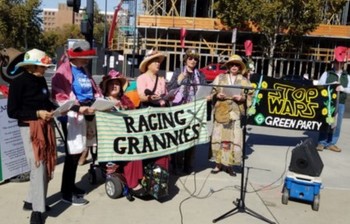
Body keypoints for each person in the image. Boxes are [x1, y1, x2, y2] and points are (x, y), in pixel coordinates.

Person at [7, 49, 57, 224]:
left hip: (45, 125)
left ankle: (32, 200)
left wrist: (54, 108)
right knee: (38, 166)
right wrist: (37, 113)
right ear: (32, 66)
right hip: (29, 128)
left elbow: (45, 101)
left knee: (46, 163)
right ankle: (37, 210)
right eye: (42, 66)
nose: (45, 70)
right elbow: (13, 112)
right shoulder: (18, 83)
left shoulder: (41, 79)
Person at [51, 40, 103, 206]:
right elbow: (59, 96)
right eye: (85, 57)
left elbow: (93, 90)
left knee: (78, 153)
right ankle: (66, 192)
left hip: (86, 113)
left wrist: (99, 101)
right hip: (72, 116)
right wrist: (78, 108)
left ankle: (71, 186)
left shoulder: (83, 70)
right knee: (72, 155)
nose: (88, 60)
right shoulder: (63, 71)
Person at [99, 69, 146, 197]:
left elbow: (135, 117)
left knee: (140, 145)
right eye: (111, 83)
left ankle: (137, 178)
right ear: (106, 87)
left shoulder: (125, 100)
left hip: (127, 135)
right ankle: (132, 183)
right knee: (130, 148)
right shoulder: (102, 101)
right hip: (110, 138)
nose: (114, 86)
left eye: (117, 84)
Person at [210, 54, 252, 176]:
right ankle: (218, 164)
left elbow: (251, 95)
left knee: (233, 139)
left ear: (240, 67)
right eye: (232, 64)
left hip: (235, 113)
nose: (234, 66)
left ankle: (229, 166)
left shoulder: (244, 80)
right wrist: (217, 95)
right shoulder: (220, 77)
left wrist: (242, 98)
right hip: (221, 112)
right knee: (219, 138)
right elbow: (212, 91)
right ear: (228, 66)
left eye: (236, 65)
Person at [167, 48, 207, 174]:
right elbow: (169, 89)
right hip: (180, 110)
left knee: (191, 139)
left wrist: (207, 96)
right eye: (190, 58)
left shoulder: (200, 75)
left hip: (194, 111)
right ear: (186, 59)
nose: (193, 60)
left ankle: (188, 166)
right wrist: (179, 80)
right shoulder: (179, 71)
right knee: (178, 138)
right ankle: (176, 166)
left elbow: (205, 90)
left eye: (195, 59)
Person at [136, 49, 170, 170]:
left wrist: (168, 97)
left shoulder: (161, 78)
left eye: (158, 61)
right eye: (155, 61)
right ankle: (146, 166)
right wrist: (149, 97)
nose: (158, 63)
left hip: (161, 112)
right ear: (148, 64)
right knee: (148, 140)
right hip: (148, 112)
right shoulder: (141, 78)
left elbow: (165, 94)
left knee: (159, 140)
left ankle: (157, 166)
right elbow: (141, 96)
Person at [316, 46, 350, 152]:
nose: (338, 65)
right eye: (336, 63)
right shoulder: (327, 74)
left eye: (340, 63)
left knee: (336, 124)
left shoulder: (347, 76)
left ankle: (331, 143)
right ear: (334, 63)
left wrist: (343, 88)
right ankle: (321, 142)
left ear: (343, 64)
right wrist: (330, 84)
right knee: (326, 122)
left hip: (340, 103)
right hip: (328, 103)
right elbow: (320, 85)